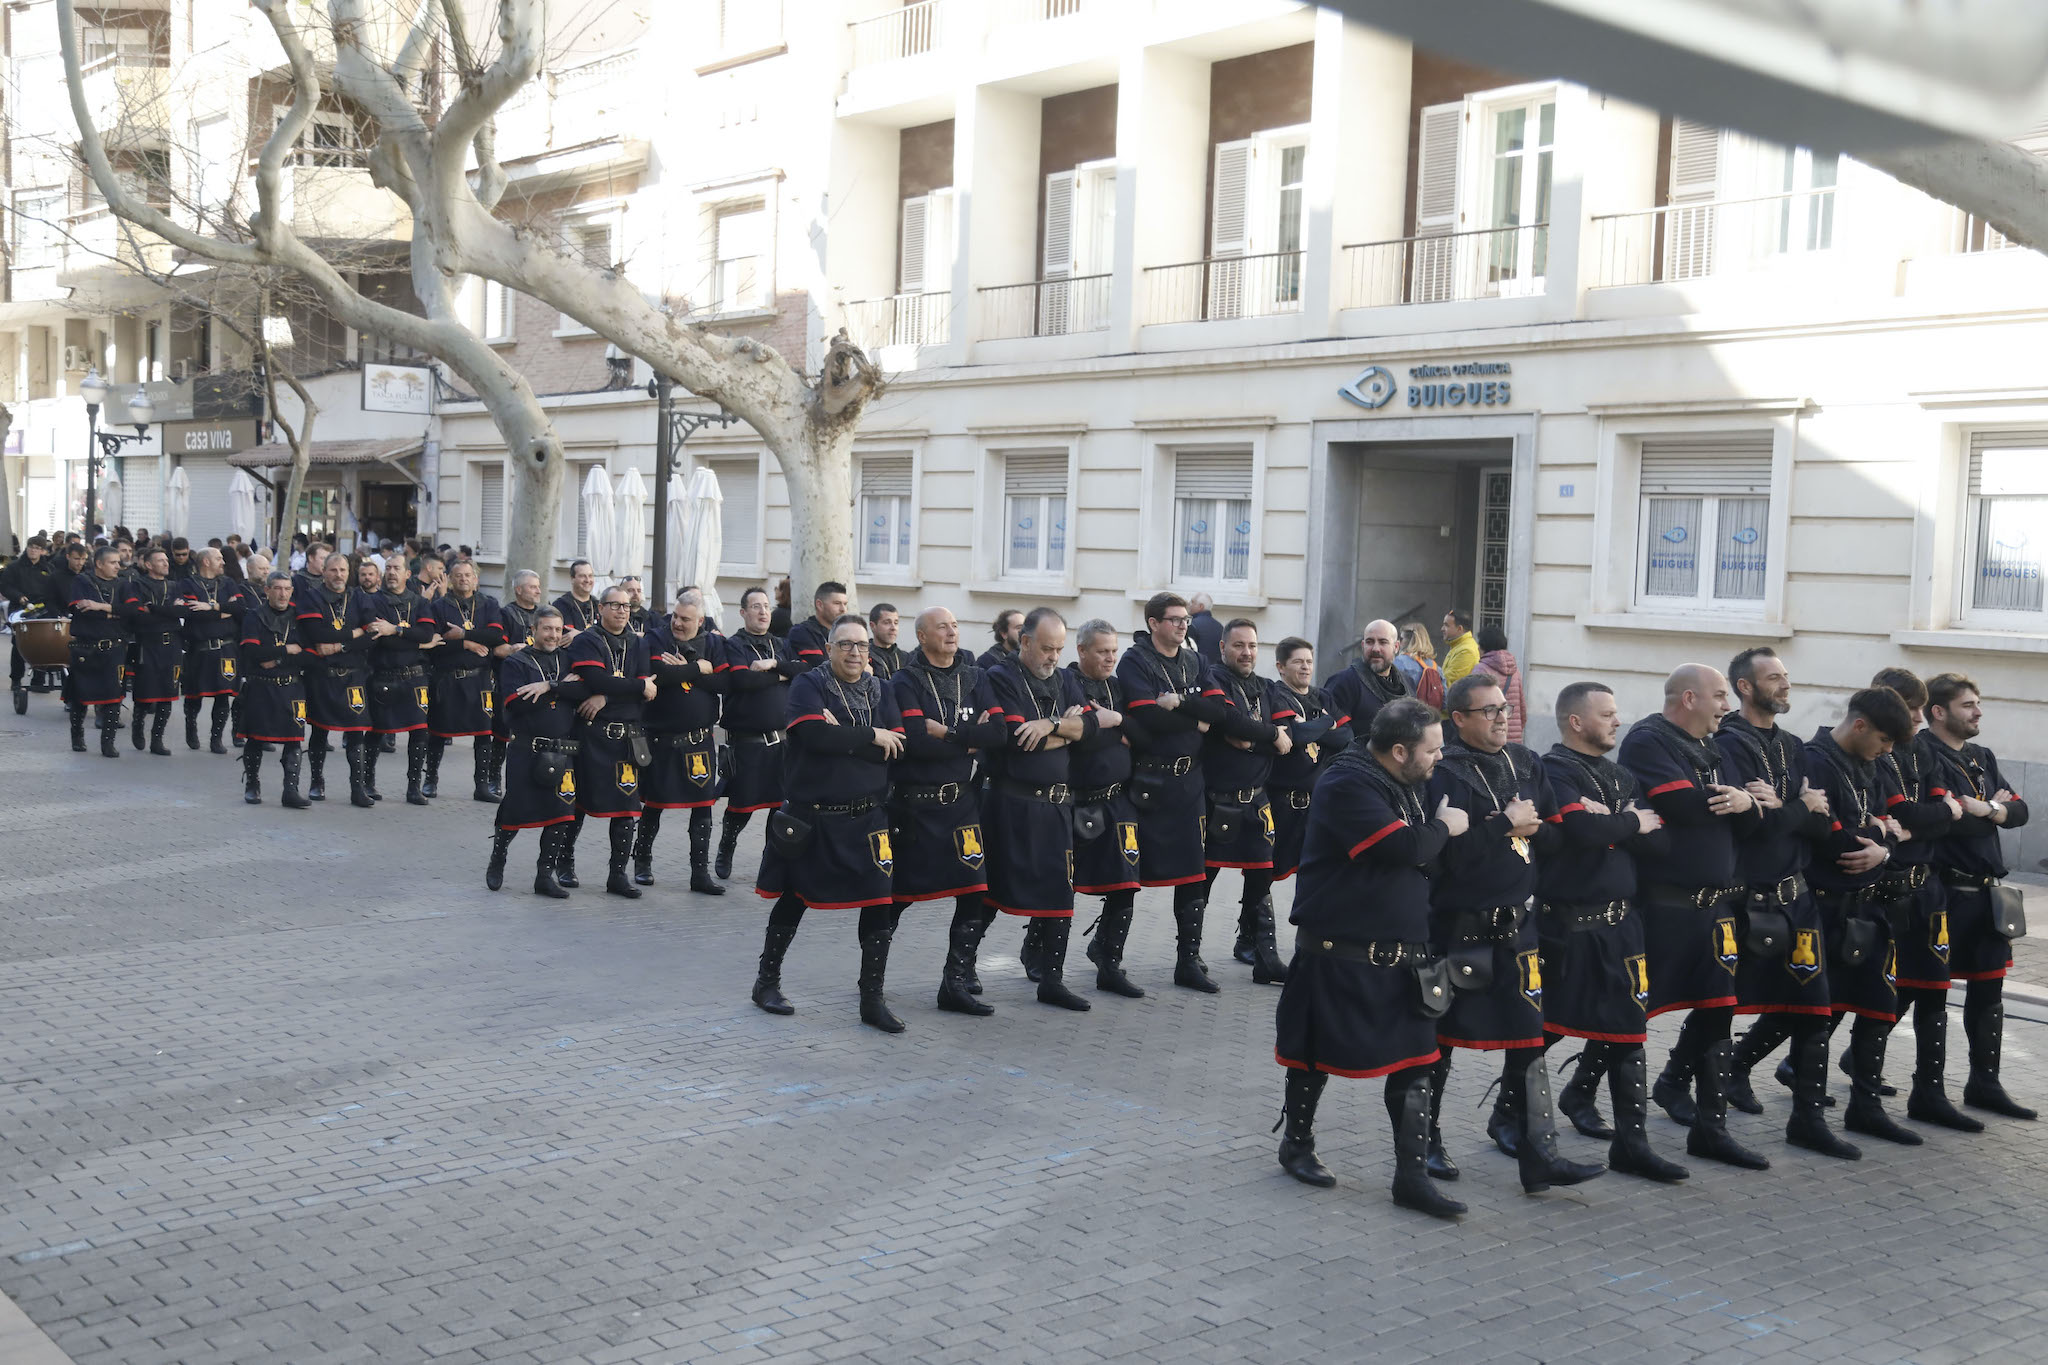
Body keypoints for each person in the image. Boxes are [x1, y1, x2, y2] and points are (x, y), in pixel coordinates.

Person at [1270, 697, 1469, 1218]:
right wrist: (1446, 827)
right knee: (1313, 1056)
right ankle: (1297, 1142)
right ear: (1399, 750)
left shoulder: (1406, 782)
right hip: (1340, 950)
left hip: (1405, 954)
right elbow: (1403, 848)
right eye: (1432, 749)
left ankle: (1412, 1177)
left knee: (1417, 1065)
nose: (1439, 758)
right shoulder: (1345, 783)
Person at [1427, 673, 1604, 1195]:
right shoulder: (1443, 773)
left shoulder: (1526, 764)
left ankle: (1539, 1152)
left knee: (1528, 1040)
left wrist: (1532, 827)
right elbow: (1444, 857)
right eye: (1488, 711)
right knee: (1439, 1043)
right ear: (1458, 719)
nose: (1502, 717)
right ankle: (1426, 1142)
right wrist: (1504, 824)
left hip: (1517, 928)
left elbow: (1555, 835)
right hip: (1457, 931)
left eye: (1504, 708)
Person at [1616, 664, 1769, 1170]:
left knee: (1718, 1013)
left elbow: (1751, 812)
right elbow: (1679, 804)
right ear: (1689, 698)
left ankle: (1711, 1129)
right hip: (1664, 907)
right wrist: (1738, 802)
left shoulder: (1716, 746)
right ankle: (1578, 1102)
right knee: (1626, 1017)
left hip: (1715, 907)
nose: (1726, 707)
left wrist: (1746, 802)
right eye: (1720, 696)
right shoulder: (1647, 739)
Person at [1538, 682, 1689, 1183]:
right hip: (1569, 926)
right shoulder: (1551, 770)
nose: (1617, 721)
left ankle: (1633, 1144)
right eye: (1607, 714)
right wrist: (1629, 823)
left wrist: (1615, 823)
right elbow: (1580, 833)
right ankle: (1509, 1119)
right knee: (1545, 1030)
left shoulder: (1621, 774)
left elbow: (1662, 841)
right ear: (1577, 721)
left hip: (1623, 926)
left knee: (1629, 1034)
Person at [750, 614, 908, 1027]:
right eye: (845, 644)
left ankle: (871, 1000)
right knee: (795, 899)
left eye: (861, 645)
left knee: (879, 902)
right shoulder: (809, 683)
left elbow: (898, 747)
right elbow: (815, 737)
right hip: (814, 818)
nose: (855, 652)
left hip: (868, 819)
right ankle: (766, 982)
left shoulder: (883, 688)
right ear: (829, 648)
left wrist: (846, 736)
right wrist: (871, 735)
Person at [1712, 648, 1843, 1142]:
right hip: (1749, 901)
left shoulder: (1792, 744)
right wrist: (1796, 808)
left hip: (1799, 896)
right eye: (1774, 678)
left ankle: (1808, 1123)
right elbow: (1753, 827)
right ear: (1745, 687)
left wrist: (1787, 807)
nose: (1786, 684)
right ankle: (1678, 1082)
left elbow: (1819, 821)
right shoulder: (1728, 745)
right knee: (1721, 1006)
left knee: (1814, 1006)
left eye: (1786, 676)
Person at [1790, 686, 1918, 1157]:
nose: (1887, 753)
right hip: (1821, 906)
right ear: (1860, 725)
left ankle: (1865, 1107)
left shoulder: (1878, 764)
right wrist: (1877, 837)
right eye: (1883, 740)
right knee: (1815, 1015)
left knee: (1878, 1004)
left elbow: (1897, 828)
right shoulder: (1813, 759)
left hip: (1870, 904)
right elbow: (1831, 839)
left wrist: (1883, 846)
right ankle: (1806, 1119)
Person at [1919, 672, 2033, 1121]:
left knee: (1989, 992)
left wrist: (1987, 808)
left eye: (1978, 703)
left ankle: (1984, 1084)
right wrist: (1988, 812)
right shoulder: (1923, 755)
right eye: (1968, 705)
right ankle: (1922, 1091)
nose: (1978, 711)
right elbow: (1946, 820)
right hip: (1942, 892)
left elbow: (2019, 812)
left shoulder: (1981, 756)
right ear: (1939, 711)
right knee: (1921, 990)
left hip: (1986, 896)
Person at [974, 608, 1098, 1011]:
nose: (1053, 657)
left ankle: (1052, 978)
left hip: (1057, 806)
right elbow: (1015, 738)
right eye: (1047, 648)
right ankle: (957, 973)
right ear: (1024, 642)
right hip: (1010, 804)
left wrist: (1049, 726)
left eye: (1059, 649)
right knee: (988, 892)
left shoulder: (1064, 679)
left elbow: (1093, 727)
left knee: (1060, 891)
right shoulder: (999, 676)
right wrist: (1065, 729)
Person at [889, 606, 1009, 1015]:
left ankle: (953, 983)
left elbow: (999, 734)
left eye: (955, 625)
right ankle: (873, 981)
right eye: (942, 627)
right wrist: (968, 742)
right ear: (922, 636)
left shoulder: (975, 676)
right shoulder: (905, 679)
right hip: (914, 807)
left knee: (975, 890)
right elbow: (918, 742)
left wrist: (953, 734)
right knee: (897, 897)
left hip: (961, 804)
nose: (952, 632)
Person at [1870, 668, 1973, 1132]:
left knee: (1933, 989)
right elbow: (1905, 812)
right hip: (1884, 888)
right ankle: (1853, 1093)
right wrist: (1926, 817)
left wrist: (1928, 818)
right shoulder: (1876, 752)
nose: (1915, 719)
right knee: (1865, 993)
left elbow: (1941, 813)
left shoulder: (1922, 752)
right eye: (1910, 709)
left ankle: (1928, 1093)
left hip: (1926, 885)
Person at [1117, 593, 1231, 992]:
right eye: (1175, 619)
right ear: (1153, 623)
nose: (1184, 625)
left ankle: (1189, 961)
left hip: (1189, 784)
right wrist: (1194, 719)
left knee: (1192, 874)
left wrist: (1181, 702)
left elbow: (1219, 712)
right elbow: (1146, 717)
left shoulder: (1196, 660)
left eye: (1186, 619)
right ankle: (1108, 958)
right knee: (1127, 875)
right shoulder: (1135, 660)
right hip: (1148, 784)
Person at [1200, 619, 1295, 985]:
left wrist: (1254, 740)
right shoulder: (1213, 679)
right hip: (1217, 802)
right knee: (1200, 883)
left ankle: (1264, 957)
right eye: (1239, 645)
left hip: (1257, 801)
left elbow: (1289, 735)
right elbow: (1229, 721)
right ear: (1223, 647)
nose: (1247, 652)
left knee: (1261, 879)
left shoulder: (1267, 687)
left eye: (1253, 645)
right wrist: (1269, 736)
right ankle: (1187, 957)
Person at [487, 606, 588, 898]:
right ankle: (498, 856)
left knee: (561, 815)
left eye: (558, 630)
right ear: (533, 631)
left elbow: (582, 690)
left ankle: (544, 876)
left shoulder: (569, 660)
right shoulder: (517, 662)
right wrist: (559, 691)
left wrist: (547, 688)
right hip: (526, 750)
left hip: (562, 751)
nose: (553, 635)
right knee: (515, 811)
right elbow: (516, 703)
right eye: (547, 629)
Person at [560, 586, 653, 897]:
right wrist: (624, 688)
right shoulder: (587, 641)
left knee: (627, 808)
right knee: (580, 803)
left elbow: (646, 693)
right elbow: (596, 680)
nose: (622, 611)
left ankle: (617, 874)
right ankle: (564, 862)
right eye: (615, 605)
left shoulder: (639, 644)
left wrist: (606, 695)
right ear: (600, 608)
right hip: (592, 736)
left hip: (627, 738)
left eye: (626, 606)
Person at [1066, 620, 1143, 996]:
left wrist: (1112, 721)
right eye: (1102, 651)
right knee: (1064, 882)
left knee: (1126, 884)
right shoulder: (1067, 683)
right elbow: (1077, 739)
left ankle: (1108, 959)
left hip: (1119, 801)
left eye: (1114, 650)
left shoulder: (1118, 686)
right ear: (1081, 651)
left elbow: (1141, 734)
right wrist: (1114, 729)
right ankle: (1036, 952)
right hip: (1077, 803)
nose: (1111, 657)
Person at [635, 589, 727, 894]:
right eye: (675, 616)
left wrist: (685, 672)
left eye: (685, 619)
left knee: (703, 809)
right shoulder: (656, 637)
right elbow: (657, 674)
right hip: (661, 739)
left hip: (699, 742)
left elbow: (725, 682)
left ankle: (699, 874)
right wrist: (699, 668)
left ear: (700, 620)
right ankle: (642, 862)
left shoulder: (713, 642)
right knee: (653, 805)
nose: (677, 623)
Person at [715, 585, 803, 878]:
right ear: (743, 613)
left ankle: (769, 860)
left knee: (778, 808)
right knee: (741, 806)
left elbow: (803, 670)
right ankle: (726, 847)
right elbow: (742, 680)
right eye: (756, 606)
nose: (763, 611)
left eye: (766, 606)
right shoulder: (733, 644)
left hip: (782, 742)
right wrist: (781, 676)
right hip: (748, 742)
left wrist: (775, 665)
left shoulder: (781, 644)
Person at [1267, 637, 1352, 888]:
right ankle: (1255, 925)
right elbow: (1297, 737)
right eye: (1298, 662)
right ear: (1281, 666)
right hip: (1283, 803)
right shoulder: (1275, 694)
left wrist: (1313, 729)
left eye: (1309, 662)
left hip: (1319, 804)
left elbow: (1347, 737)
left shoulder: (1322, 696)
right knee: (1264, 876)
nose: (1305, 667)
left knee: (1316, 875)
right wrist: (1327, 723)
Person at [293, 551, 376, 808]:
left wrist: (339, 646)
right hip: (322, 676)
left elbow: (371, 632)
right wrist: (355, 633)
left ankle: (358, 788)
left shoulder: (359, 597)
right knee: (320, 730)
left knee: (356, 732)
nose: (338, 575)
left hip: (353, 677)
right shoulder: (312, 597)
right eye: (333, 570)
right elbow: (316, 632)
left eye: (342, 570)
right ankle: (317, 782)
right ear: (324, 572)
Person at [425, 560, 505, 802]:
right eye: (458, 575)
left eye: (468, 575)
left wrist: (464, 633)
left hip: (478, 680)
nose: (463, 579)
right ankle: (430, 780)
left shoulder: (488, 604)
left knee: (483, 734)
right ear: (449, 579)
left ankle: (481, 786)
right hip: (448, 678)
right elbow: (434, 642)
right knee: (438, 732)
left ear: (475, 579)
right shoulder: (439, 606)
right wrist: (466, 643)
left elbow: (496, 635)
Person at [363, 556, 438, 805]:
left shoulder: (419, 602)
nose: (391, 572)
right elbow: (380, 638)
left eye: (397, 568)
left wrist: (396, 629)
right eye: (388, 568)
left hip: (414, 677)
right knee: (376, 732)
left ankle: (413, 787)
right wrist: (416, 641)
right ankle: (367, 782)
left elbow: (427, 632)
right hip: (383, 676)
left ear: (408, 574)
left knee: (419, 732)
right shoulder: (373, 601)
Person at [236, 572, 313, 808]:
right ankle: (252, 784)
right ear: (267, 590)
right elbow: (252, 653)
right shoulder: (254, 617)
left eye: (287, 589)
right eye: (277, 588)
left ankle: (291, 790)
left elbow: (308, 654)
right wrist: (287, 650)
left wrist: (278, 658)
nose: (282, 593)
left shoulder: (299, 617)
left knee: (294, 740)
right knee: (256, 738)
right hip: (261, 686)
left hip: (291, 687)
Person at [119, 547, 192, 757]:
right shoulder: (137, 585)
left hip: (173, 645)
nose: (166, 563)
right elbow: (139, 617)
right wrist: (170, 611)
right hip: (148, 644)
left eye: (166, 560)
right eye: (160, 560)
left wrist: (158, 609)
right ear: (148, 564)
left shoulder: (175, 585)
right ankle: (138, 725)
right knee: (145, 691)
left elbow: (184, 611)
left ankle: (157, 739)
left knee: (168, 693)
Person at [176, 548, 246, 754]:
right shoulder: (187, 584)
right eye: (218, 558)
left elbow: (241, 608)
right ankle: (191, 726)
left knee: (224, 694)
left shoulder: (228, 583)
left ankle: (216, 739)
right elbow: (191, 613)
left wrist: (211, 607)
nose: (223, 562)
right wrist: (224, 611)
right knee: (195, 694)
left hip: (226, 648)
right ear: (206, 561)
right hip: (200, 648)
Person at [66, 546, 133, 758]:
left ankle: (108, 743)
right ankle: (77, 736)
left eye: (118, 562)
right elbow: (82, 611)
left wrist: (101, 607)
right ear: (99, 564)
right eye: (113, 562)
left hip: (114, 648)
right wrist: (115, 613)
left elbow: (133, 612)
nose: (117, 566)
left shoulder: (123, 584)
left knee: (114, 697)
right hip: (86, 647)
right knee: (80, 696)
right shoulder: (82, 581)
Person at [1324, 620, 1412, 732]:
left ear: (1396, 647)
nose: (1375, 648)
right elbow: (1334, 735)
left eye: (1383, 642)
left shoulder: (1407, 683)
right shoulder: (1343, 683)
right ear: (1363, 645)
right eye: (1370, 642)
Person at [2, 536, 57, 700]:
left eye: (37, 548)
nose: (33, 550)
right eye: (31, 547)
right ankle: (16, 678)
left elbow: (54, 589)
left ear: (42, 550)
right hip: (20, 609)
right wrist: (18, 597)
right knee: (18, 643)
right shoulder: (14, 567)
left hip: (43, 610)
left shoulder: (49, 568)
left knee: (43, 643)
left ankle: (39, 677)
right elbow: (5, 586)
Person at [1474, 625, 1524, 745]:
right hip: (1514, 737)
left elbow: (1475, 705)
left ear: (1483, 646)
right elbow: (1522, 707)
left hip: (1491, 735)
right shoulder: (1515, 670)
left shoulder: (1481, 669)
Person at [784, 580, 849, 673]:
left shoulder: (845, 634)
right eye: (837, 603)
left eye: (845, 604)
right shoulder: (801, 632)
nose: (843, 609)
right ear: (820, 605)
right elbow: (821, 666)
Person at [553, 559, 599, 635]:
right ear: (572, 579)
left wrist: (579, 634)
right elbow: (565, 637)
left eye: (590, 576)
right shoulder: (560, 605)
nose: (587, 580)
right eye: (582, 576)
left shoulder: (598, 605)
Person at [1440, 609, 1479, 686]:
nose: (1442, 629)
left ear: (1459, 629)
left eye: (1446, 625)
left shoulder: (1466, 651)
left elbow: (1448, 683)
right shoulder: (1457, 645)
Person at [867, 603, 905, 678]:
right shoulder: (863, 656)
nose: (893, 628)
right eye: (887, 623)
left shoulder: (906, 658)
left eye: (896, 623)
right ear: (872, 626)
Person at [1186, 591, 1223, 666]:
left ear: (1201, 606)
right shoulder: (1220, 627)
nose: (1189, 604)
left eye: (1192, 602)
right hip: (1216, 673)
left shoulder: (1191, 625)